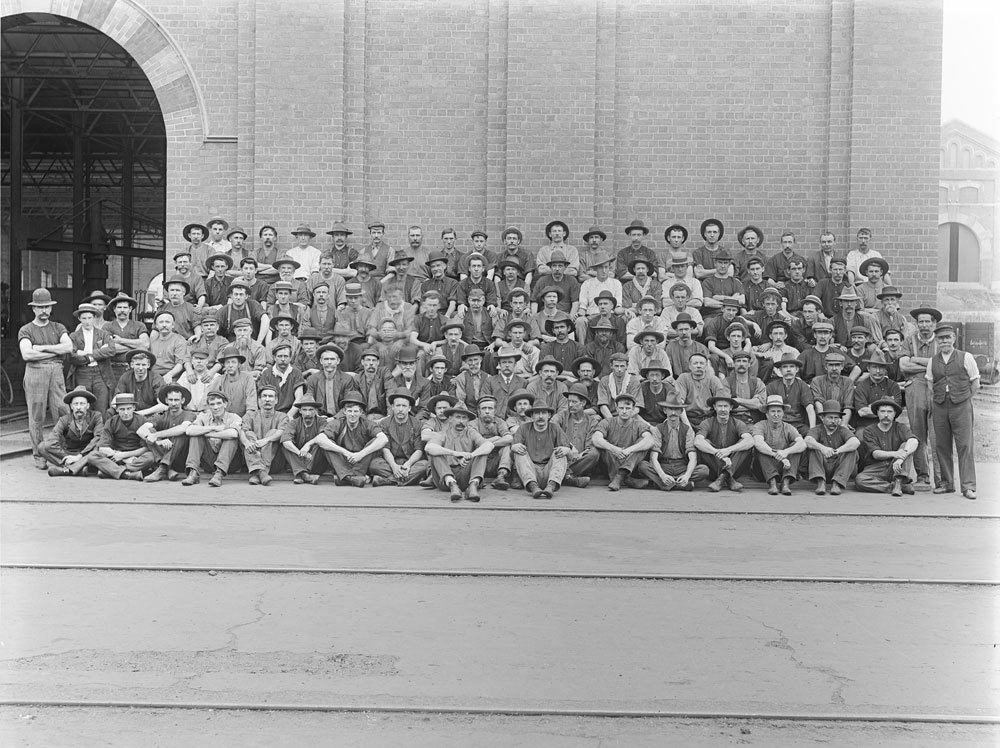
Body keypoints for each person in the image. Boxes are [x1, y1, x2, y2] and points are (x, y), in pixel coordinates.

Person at [18, 288, 73, 469]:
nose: (44, 311)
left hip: (56, 371)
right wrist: (53, 351)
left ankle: (60, 451)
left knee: (62, 411)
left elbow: (67, 347)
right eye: (40, 307)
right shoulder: (26, 330)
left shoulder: (58, 327)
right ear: (33, 309)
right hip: (35, 371)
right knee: (37, 415)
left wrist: (40, 349)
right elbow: (27, 354)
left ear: (51, 308)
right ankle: (38, 454)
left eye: (47, 307)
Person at [926, 323, 979, 499]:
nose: (944, 341)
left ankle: (968, 486)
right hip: (940, 405)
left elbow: (975, 382)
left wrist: (964, 398)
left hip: (961, 405)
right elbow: (930, 383)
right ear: (937, 341)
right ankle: (947, 484)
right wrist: (940, 399)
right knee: (942, 445)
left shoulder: (966, 357)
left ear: (954, 338)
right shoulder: (933, 361)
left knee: (964, 445)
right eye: (941, 338)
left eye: (947, 337)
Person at [898, 306, 941, 490]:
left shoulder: (941, 342)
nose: (924, 325)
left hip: (938, 392)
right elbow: (904, 367)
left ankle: (941, 479)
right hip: (915, 390)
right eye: (920, 322)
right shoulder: (909, 341)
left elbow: (945, 366)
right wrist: (932, 365)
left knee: (938, 436)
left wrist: (917, 360)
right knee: (918, 435)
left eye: (927, 322)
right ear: (916, 324)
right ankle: (923, 476)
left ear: (934, 324)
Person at [312, 392, 388, 486]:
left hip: (362, 462)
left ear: (361, 413)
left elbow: (383, 439)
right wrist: (345, 453)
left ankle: (345, 477)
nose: (352, 414)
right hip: (343, 461)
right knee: (327, 444)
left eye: (356, 411)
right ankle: (352, 478)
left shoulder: (367, 424)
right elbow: (320, 439)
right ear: (344, 411)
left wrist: (360, 454)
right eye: (349, 411)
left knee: (376, 442)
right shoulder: (339, 423)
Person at [637, 393, 709, 491]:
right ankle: (677, 484)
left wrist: (687, 475)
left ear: (681, 411)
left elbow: (692, 456)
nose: (673, 413)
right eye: (670, 409)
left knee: (703, 470)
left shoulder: (687, 430)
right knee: (643, 466)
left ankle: (662, 484)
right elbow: (654, 457)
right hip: (664, 465)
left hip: (681, 466)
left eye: (676, 409)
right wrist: (662, 475)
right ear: (665, 410)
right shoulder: (659, 428)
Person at [424, 404, 494, 502]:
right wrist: (454, 453)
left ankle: (473, 485)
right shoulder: (443, 434)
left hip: (467, 477)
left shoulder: (471, 433)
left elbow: (489, 445)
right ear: (450, 419)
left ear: (468, 420)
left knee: (482, 452)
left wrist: (470, 455)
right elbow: (429, 447)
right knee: (435, 452)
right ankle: (452, 484)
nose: (461, 421)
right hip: (445, 478)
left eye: (464, 418)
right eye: (457, 417)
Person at [592, 392, 657, 491]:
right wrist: (614, 449)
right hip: (611, 462)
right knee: (604, 443)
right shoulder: (608, 422)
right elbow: (595, 438)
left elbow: (650, 440)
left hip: (630, 460)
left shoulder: (639, 424)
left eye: (628, 408)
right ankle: (626, 479)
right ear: (617, 409)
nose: (624, 411)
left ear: (633, 410)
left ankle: (620, 477)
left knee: (643, 443)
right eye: (621, 408)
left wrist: (629, 450)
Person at [83, 393, 154, 480]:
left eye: (129, 409)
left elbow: (146, 448)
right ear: (116, 409)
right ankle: (126, 474)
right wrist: (120, 457)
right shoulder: (111, 422)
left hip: (135, 458)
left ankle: (111, 471)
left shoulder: (142, 420)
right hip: (115, 457)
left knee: (150, 457)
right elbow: (102, 447)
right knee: (93, 456)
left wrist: (124, 455)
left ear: (134, 408)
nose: (126, 412)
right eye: (122, 409)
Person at [856, 399, 919, 496]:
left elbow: (914, 441)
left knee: (906, 445)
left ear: (894, 414)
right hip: (877, 468)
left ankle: (899, 481)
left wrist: (901, 457)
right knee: (860, 480)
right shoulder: (869, 430)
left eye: (889, 412)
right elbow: (876, 454)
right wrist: (896, 453)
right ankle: (895, 486)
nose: (886, 415)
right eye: (882, 411)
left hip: (896, 466)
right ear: (877, 413)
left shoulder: (900, 427)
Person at [693, 395, 755, 492]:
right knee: (705, 442)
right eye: (719, 406)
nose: (722, 409)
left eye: (725, 406)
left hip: (734, 465)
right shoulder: (707, 423)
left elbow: (750, 441)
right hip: (713, 468)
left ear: (730, 408)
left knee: (744, 443)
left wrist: (729, 450)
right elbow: (698, 441)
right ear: (714, 407)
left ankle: (723, 477)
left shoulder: (738, 423)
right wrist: (719, 454)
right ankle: (729, 479)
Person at [136, 383, 196, 482]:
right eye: (171, 400)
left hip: (181, 458)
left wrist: (156, 435)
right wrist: (158, 441)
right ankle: (166, 469)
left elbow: (183, 428)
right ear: (166, 400)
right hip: (164, 453)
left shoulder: (189, 414)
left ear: (183, 400)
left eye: (176, 400)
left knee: (181, 434)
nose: (173, 403)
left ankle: (163, 468)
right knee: (149, 431)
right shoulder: (161, 416)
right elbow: (140, 430)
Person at [182, 390, 242, 487]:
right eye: (212, 404)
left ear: (225, 404)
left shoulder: (234, 417)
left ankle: (219, 473)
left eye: (219, 403)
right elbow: (189, 431)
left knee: (230, 436)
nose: (215, 407)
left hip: (231, 463)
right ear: (209, 406)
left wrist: (208, 434)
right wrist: (213, 428)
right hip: (209, 462)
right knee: (196, 435)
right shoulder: (203, 417)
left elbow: (234, 433)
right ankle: (193, 473)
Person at [510, 402, 570, 499]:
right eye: (537, 413)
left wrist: (567, 450)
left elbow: (569, 455)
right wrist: (514, 447)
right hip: (530, 471)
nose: (541, 416)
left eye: (544, 413)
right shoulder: (523, 428)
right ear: (532, 416)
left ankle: (551, 486)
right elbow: (512, 455)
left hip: (549, 472)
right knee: (519, 451)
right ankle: (533, 487)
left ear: (549, 415)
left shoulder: (555, 428)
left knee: (560, 452)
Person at [40, 386, 103, 477]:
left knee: (98, 449)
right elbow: (51, 440)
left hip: (87, 453)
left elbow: (98, 437)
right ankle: (76, 468)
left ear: (88, 405)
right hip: (70, 453)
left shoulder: (96, 416)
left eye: (82, 404)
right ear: (71, 406)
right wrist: (66, 456)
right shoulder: (64, 420)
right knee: (42, 447)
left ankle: (68, 470)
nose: (78, 407)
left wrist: (80, 456)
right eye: (76, 404)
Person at [371, 388, 429, 487]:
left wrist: (408, 465)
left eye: (404, 406)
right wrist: (394, 467)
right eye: (398, 405)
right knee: (374, 464)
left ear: (409, 408)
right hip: (391, 462)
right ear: (392, 407)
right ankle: (409, 478)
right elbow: (386, 449)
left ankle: (388, 480)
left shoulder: (417, 424)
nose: (401, 409)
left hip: (410, 462)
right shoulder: (385, 423)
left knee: (425, 465)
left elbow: (419, 450)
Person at [804, 398, 861, 495]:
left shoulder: (842, 430)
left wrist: (838, 450)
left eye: (836, 418)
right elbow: (808, 440)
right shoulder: (817, 429)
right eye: (830, 418)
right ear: (822, 418)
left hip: (838, 467)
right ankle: (820, 482)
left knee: (852, 451)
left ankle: (837, 483)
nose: (833, 421)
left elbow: (855, 442)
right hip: (821, 466)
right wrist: (822, 448)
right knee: (813, 449)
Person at [67, 302, 116, 414]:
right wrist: (96, 356)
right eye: (84, 318)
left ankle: (100, 431)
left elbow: (111, 350)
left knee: (101, 406)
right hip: (82, 373)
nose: (87, 321)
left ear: (94, 317)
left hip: (101, 373)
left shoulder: (103, 334)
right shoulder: (73, 336)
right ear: (79, 318)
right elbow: (72, 356)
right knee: (83, 405)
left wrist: (88, 353)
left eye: (90, 318)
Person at [752, 395, 808, 495]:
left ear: (783, 414)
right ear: (767, 414)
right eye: (773, 411)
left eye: (779, 411)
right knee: (761, 449)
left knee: (796, 446)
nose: (776, 415)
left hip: (784, 468)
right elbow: (758, 442)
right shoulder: (760, 425)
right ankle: (772, 483)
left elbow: (802, 444)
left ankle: (785, 483)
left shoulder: (788, 427)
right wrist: (778, 456)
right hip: (763, 471)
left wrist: (786, 452)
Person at [239, 384, 290, 486]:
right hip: (251, 458)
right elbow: (242, 431)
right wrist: (247, 442)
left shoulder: (283, 416)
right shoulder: (249, 415)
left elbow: (281, 432)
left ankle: (257, 471)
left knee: (273, 433)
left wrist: (266, 440)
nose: (267, 399)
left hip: (274, 461)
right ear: (259, 400)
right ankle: (261, 472)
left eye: (271, 397)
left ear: (276, 400)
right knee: (248, 434)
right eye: (264, 396)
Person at [552, 382, 600, 485]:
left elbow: (589, 447)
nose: (570, 405)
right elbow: (552, 428)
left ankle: (565, 475)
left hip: (580, 460)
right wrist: (569, 447)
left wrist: (579, 455)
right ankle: (569, 477)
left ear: (582, 403)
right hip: (562, 455)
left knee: (594, 454)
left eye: (574, 402)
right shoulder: (561, 416)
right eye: (569, 401)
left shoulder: (592, 422)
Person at [279, 397, 330, 484]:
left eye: (311, 410)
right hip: (299, 459)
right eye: (304, 410)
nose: (307, 413)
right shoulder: (294, 423)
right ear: (300, 411)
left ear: (316, 411)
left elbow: (323, 436)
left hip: (315, 461)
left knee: (321, 443)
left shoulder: (322, 422)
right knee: (285, 446)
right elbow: (285, 440)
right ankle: (304, 474)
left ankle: (301, 474)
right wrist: (300, 453)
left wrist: (309, 444)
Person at [469, 394, 514, 490]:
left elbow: (509, 438)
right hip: (479, 461)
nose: (487, 411)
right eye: (484, 408)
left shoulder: (500, 422)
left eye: (490, 408)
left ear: (495, 411)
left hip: (496, 462)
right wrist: (496, 438)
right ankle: (477, 479)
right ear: (478, 411)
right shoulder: (473, 423)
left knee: (506, 447)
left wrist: (490, 444)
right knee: (480, 451)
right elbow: (475, 443)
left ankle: (501, 476)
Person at [305, 343, 359, 416]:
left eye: (332, 359)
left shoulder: (347, 379)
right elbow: (309, 401)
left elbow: (348, 405)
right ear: (321, 361)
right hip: (319, 418)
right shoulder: (312, 379)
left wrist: (334, 418)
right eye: (326, 359)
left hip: (340, 418)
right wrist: (317, 417)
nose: (329, 362)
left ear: (338, 361)